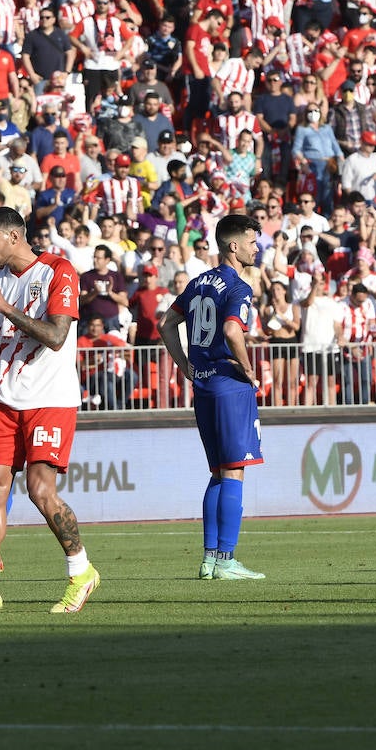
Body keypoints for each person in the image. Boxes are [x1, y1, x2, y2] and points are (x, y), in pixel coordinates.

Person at [0, 206, 100, 616]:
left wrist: (2, 307)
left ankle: (81, 572)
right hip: (6, 399)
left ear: (14, 237)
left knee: (40, 491)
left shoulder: (58, 270)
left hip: (50, 399)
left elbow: (56, 336)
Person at [159, 213, 266, 580]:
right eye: (253, 242)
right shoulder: (239, 287)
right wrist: (249, 370)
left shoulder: (197, 283)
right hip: (228, 383)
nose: (257, 248)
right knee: (234, 472)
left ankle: (209, 559)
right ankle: (227, 559)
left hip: (202, 385)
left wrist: (185, 364)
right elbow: (234, 330)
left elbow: (165, 323)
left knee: (218, 473)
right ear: (233, 245)